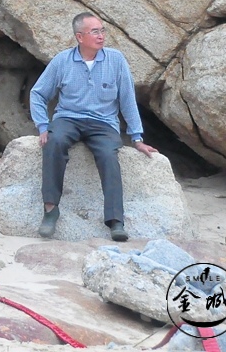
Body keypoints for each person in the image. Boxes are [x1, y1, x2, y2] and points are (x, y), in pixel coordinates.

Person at [30, 12, 157, 242]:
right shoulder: (62, 61)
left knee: (109, 154)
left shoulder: (116, 60)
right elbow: (38, 94)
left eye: (102, 30)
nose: (101, 36)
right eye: (95, 31)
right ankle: (50, 210)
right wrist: (42, 126)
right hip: (68, 118)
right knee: (54, 141)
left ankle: (115, 221)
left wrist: (137, 138)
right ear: (80, 37)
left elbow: (127, 99)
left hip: (103, 122)